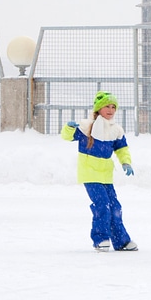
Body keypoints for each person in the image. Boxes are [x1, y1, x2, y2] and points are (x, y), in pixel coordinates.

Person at [62, 91, 138, 252]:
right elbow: (67, 137)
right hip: (90, 174)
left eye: (113, 107)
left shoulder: (115, 129)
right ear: (98, 109)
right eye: (106, 106)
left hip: (106, 175)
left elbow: (122, 148)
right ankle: (100, 238)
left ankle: (121, 241)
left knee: (115, 207)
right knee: (102, 204)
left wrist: (126, 162)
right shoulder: (86, 126)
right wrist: (68, 128)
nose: (110, 110)